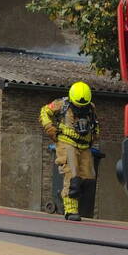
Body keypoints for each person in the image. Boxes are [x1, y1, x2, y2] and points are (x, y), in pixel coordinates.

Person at [39, 81, 100, 221]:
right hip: (67, 143)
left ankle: (75, 203)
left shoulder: (91, 107)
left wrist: (95, 134)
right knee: (72, 176)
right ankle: (70, 210)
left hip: (85, 146)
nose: (81, 107)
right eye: (79, 104)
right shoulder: (62, 104)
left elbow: (95, 123)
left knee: (88, 178)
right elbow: (44, 112)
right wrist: (50, 128)